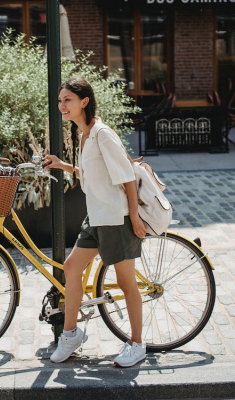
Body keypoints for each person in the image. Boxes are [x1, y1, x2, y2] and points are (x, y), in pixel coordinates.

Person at [43, 77, 147, 367]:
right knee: (72, 267)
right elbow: (93, 175)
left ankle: (137, 344)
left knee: (126, 283)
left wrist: (135, 217)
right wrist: (63, 165)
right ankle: (71, 334)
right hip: (97, 216)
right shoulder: (84, 135)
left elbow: (127, 176)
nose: (62, 105)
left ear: (84, 102)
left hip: (116, 218)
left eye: (67, 100)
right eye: (60, 100)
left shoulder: (102, 134)